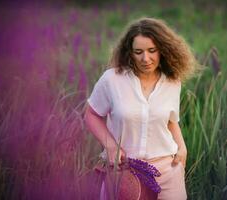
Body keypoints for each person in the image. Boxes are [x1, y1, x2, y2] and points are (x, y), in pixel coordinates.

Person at [84, 17, 196, 200]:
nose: (146, 59)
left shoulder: (172, 82)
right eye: (138, 52)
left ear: (163, 50)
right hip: (124, 174)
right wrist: (111, 146)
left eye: (152, 50)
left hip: (167, 173)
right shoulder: (112, 79)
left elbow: (170, 121)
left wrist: (182, 147)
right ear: (129, 52)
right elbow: (91, 114)